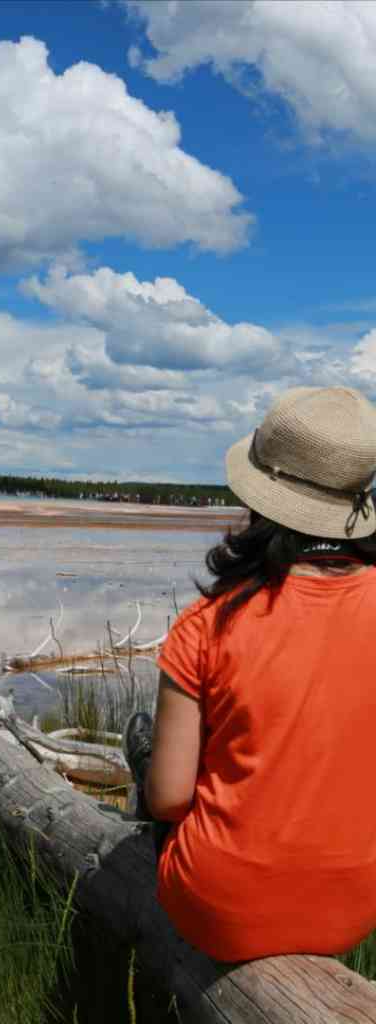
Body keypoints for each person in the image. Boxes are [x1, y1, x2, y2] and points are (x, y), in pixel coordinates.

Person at [123, 386, 376, 963]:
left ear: (260, 497)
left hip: (218, 909)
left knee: (147, 751)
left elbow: (167, 800)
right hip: (356, 909)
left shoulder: (208, 623)